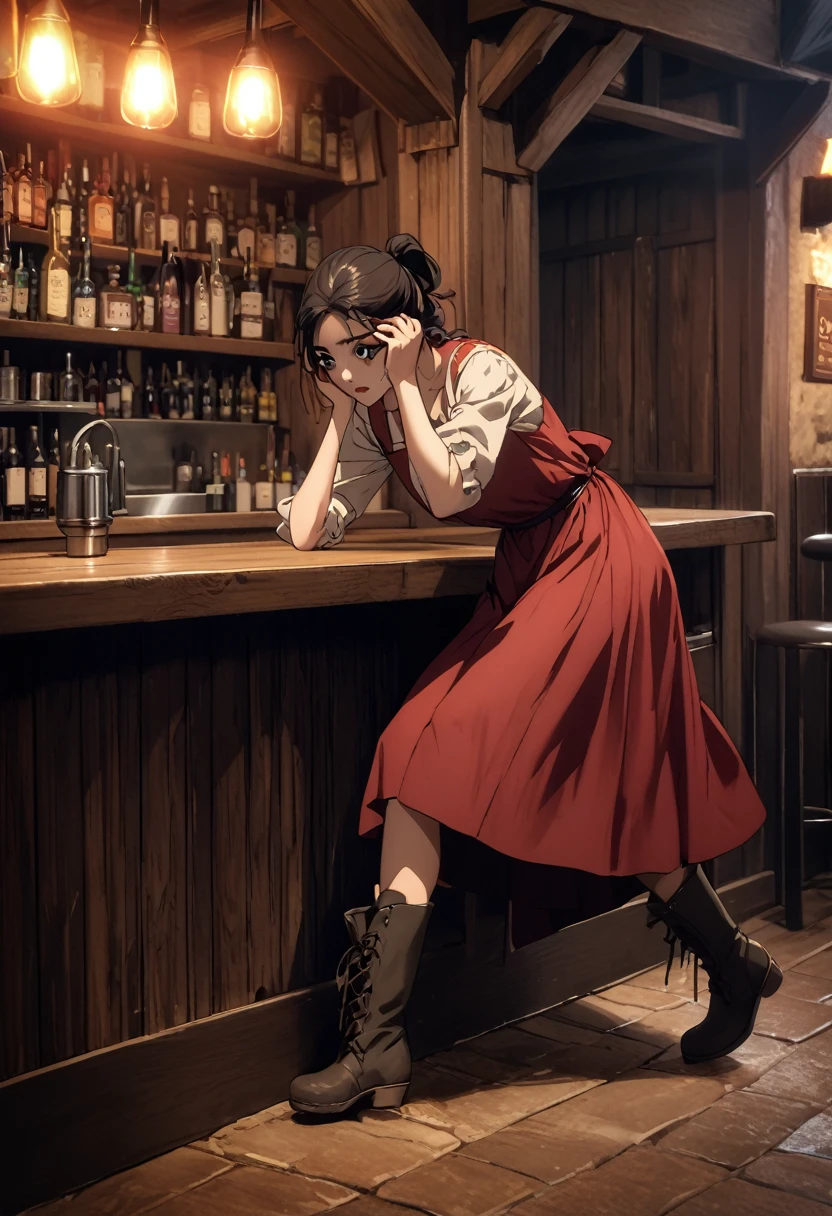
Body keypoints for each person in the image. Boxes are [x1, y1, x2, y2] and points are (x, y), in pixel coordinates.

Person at [275, 233, 783, 1118]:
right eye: (329, 358)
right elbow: (310, 530)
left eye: (362, 349)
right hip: (532, 569)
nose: (349, 371)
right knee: (423, 757)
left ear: (405, 328)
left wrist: (394, 388)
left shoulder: (482, 373)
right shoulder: (367, 406)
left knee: (594, 785)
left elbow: (447, 494)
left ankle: (731, 967)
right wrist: (338, 416)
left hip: (599, 557)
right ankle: (380, 1047)